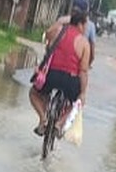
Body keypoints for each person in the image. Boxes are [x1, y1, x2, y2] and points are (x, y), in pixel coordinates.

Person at [30, 7, 91, 136]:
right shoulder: (84, 43)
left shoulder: (58, 31)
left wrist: (60, 21)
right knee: (76, 103)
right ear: (80, 24)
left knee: (34, 93)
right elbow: (83, 71)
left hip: (52, 75)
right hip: (70, 80)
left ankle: (43, 119)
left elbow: (47, 34)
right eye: (86, 25)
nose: (86, 28)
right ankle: (59, 124)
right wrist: (83, 93)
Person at [43, 0, 96, 68]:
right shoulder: (90, 25)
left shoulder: (62, 20)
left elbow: (48, 36)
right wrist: (87, 64)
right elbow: (92, 51)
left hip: (55, 65)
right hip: (74, 68)